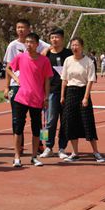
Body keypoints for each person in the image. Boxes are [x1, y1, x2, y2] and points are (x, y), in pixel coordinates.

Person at [3, 19, 49, 153]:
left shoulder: (38, 43)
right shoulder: (13, 46)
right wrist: (7, 86)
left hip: (35, 87)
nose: (20, 30)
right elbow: (8, 67)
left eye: (23, 27)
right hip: (17, 87)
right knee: (17, 119)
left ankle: (40, 143)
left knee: (40, 120)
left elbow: (51, 46)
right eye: (18, 27)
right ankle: (20, 146)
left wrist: (45, 51)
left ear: (29, 29)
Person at [9, 32, 53, 167]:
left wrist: (46, 98)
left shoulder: (44, 60)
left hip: (37, 99)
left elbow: (47, 80)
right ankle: (17, 157)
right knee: (18, 128)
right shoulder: (20, 57)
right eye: (27, 42)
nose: (28, 44)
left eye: (31, 42)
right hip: (21, 98)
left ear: (37, 44)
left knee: (37, 129)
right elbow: (9, 68)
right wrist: (16, 79)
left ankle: (34, 156)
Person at [60, 37, 105, 162]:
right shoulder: (68, 60)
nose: (74, 47)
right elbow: (64, 79)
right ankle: (75, 153)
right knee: (71, 122)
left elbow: (90, 80)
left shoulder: (88, 61)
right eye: (73, 45)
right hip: (70, 93)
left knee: (87, 122)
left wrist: (86, 97)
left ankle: (96, 152)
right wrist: (62, 96)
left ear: (82, 47)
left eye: (77, 45)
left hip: (83, 92)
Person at [41, 28, 72, 159]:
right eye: (52, 37)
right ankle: (47, 147)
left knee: (65, 121)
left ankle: (62, 148)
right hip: (50, 92)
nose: (54, 40)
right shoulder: (46, 55)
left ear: (62, 39)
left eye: (57, 37)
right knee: (48, 122)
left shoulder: (69, 54)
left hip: (67, 92)